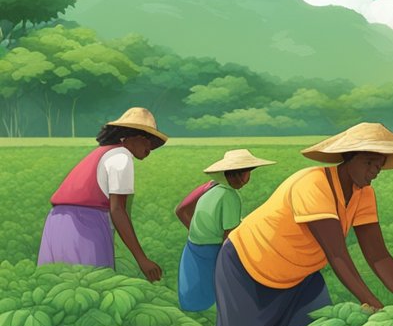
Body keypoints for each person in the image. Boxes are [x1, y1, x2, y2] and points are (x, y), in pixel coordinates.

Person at [209, 123, 393, 326]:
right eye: (370, 162)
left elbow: (378, 255)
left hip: (300, 277)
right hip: (248, 266)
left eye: (380, 164)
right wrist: (373, 303)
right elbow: (337, 255)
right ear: (350, 158)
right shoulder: (313, 184)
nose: (376, 171)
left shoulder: (363, 194)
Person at [37, 107, 167, 280]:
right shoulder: (122, 158)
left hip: (56, 223)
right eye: (148, 140)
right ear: (133, 137)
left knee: (56, 285)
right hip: (84, 227)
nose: (150, 148)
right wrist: (142, 259)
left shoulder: (103, 153)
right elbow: (118, 210)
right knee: (92, 287)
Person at [175, 149, 275, 313]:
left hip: (193, 251)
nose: (243, 179)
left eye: (244, 173)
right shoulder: (230, 197)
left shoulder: (211, 189)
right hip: (212, 254)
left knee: (194, 303)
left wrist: (202, 232)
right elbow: (229, 240)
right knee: (216, 303)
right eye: (239, 174)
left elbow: (184, 211)